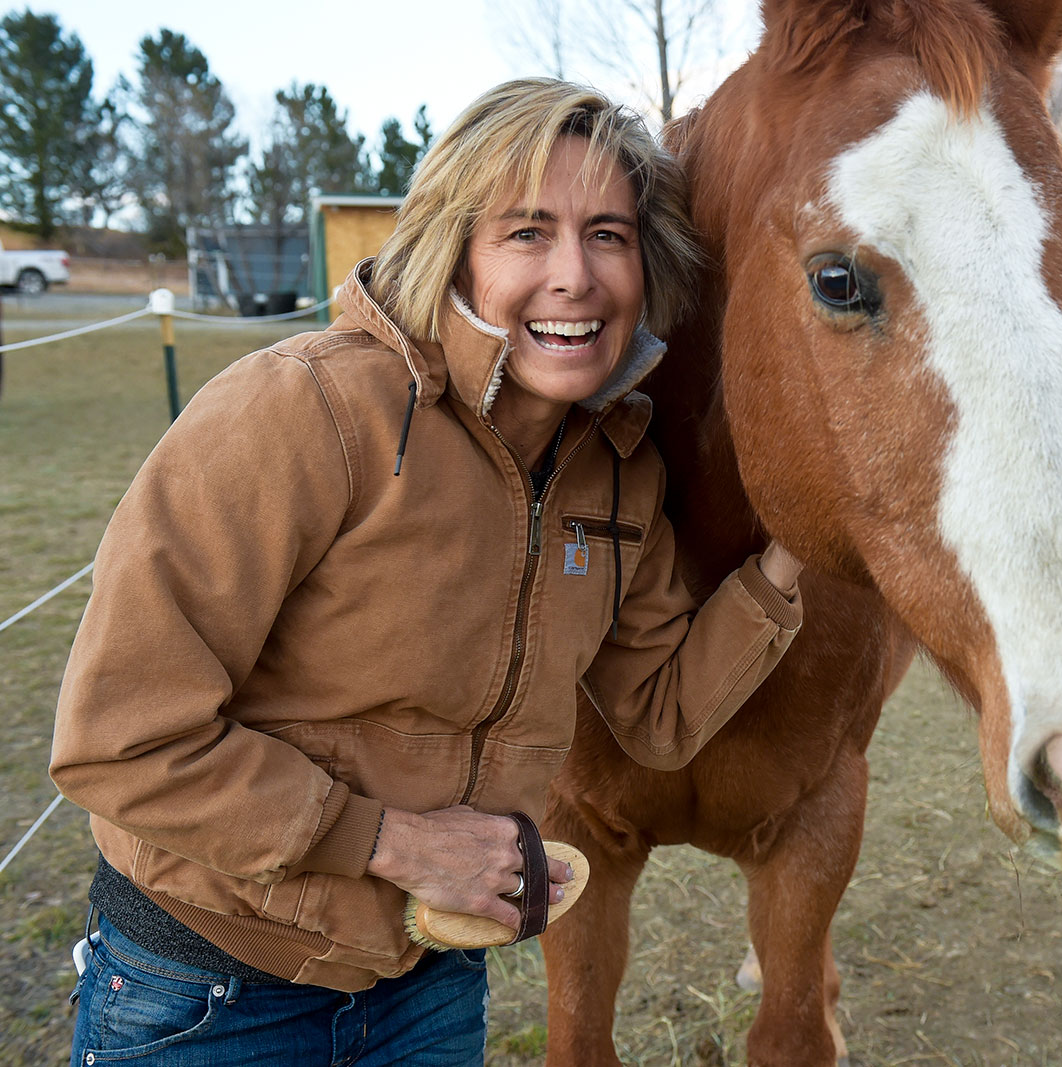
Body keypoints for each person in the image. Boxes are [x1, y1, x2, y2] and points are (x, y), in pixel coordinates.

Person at [50, 78, 804, 1065]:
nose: (574, 275)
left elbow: (659, 714)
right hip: (209, 985)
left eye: (608, 234)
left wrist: (792, 552)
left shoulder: (618, 471)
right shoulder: (301, 412)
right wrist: (395, 842)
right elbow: (115, 738)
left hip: (428, 980)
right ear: (453, 248)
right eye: (528, 232)